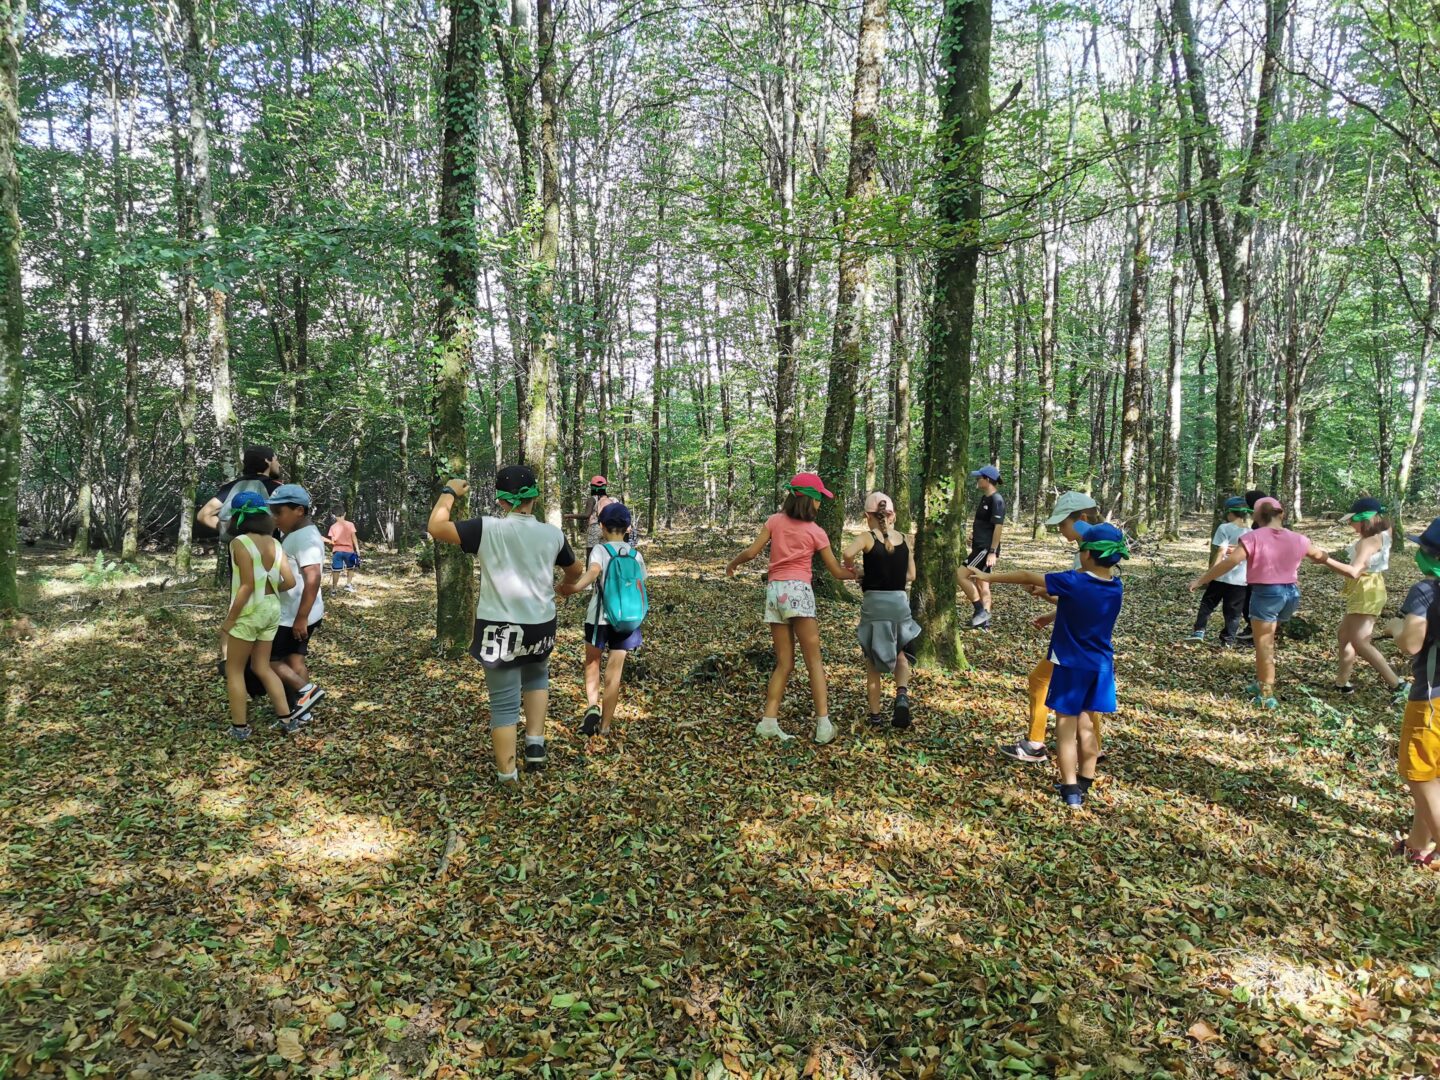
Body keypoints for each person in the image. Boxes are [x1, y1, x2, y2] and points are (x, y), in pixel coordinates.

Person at [427, 466, 583, 781]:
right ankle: (535, 744)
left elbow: (436, 527)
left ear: (500, 501)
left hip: (499, 630)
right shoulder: (552, 534)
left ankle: (508, 776)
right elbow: (576, 569)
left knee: (504, 701)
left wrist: (450, 492)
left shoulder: (486, 529)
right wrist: (565, 587)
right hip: (541, 624)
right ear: (534, 499)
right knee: (537, 675)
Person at [963, 523, 1128, 808]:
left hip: (1070, 666)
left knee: (1066, 730)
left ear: (1087, 553)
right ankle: (1086, 780)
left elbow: (1029, 575)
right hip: (1100, 667)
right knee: (1087, 726)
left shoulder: (1075, 582)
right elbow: (1078, 602)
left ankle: (1071, 789)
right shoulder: (1115, 586)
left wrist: (987, 575)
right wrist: (1043, 595)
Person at [726, 472, 858, 744]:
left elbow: (751, 552)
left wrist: (733, 564)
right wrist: (859, 574)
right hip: (799, 592)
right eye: (819, 498)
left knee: (784, 662)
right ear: (808, 501)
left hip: (775, 593)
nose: (821, 504)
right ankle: (823, 725)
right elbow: (835, 571)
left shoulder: (775, 521)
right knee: (814, 662)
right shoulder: (815, 532)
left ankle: (768, 722)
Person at [1188, 497, 1327, 710]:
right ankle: (1261, 682)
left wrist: (1201, 579)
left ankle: (1266, 694)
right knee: (1267, 640)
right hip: (1290, 595)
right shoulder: (1298, 538)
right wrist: (1349, 568)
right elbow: (1320, 556)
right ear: (1282, 514)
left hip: (1266, 595)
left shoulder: (1253, 537)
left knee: (1264, 646)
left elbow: (1231, 561)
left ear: (1257, 517)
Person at [997, 490, 1103, 764]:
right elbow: (1082, 600)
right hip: (1086, 638)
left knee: (1041, 680)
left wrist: (1045, 593)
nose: (1060, 530)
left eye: (1063, 524)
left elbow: (1080, 598)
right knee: (1085, 692)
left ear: (1081, 519)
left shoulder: (1089, 555)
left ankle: (1035, 744)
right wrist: (1049, 611)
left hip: (1073, 641)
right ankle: (1093, 748)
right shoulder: (1099, 549)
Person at [562, 501, 645, 739]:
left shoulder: (600, 550)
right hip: (628, 620)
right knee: (614, 672)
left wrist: (574, 587)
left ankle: (591, 707)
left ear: (602, 526)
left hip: (598, 617)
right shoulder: (636, 555)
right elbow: (640, 585)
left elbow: (594, 572)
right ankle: (606, 726)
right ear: (628, 527)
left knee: (592, 663)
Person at [219, 492, 297, 739]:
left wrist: (229, 621)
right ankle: (287, 719)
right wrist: (271, 586)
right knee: (263, 667)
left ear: (238, 517)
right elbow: (290, 581)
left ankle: (239, 727)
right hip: (272, 609)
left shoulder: (240, 543)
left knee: (234, 670)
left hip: (249, 611)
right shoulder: (275, 543)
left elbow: (247, 585)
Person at [843, 491, 919, 730]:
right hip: (899, 602)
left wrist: (854, 569)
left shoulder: (867, 537)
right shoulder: (905, 539)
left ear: (868, 516)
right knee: (900, 654)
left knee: (872, 662)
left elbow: (847, 553)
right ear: (892, 515)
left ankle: (875, 719)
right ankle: (902, 695)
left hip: (874, 603)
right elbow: (911, 576)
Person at [1389, 516, 1440, 867]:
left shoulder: (1426, 590)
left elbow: (1410, 643)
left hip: (1432, 698)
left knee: (1418, 771)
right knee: (1434, 773)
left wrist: (1395, 626)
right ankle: (1417, 844)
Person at [1317, 496, 1405, 697]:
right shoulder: (1384, 532)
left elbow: (1354, 571)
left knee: (1360, 641)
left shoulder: (1368, 542)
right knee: (1344, 635)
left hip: (1367, 589)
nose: (1350, 524)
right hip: (1370, 587)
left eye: (1353, 520)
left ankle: (1397, 684)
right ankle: (1342, 682)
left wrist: (1325, 559)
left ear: (1365, 519)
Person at [266, 484, 327, 721]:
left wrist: (301, 618)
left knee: (267, 661)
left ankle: (306, 692)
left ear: (299, 511)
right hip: (298, 611)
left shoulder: (305, 537)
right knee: (294, 659)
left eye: (279, 513)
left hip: (294, 614)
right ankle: (302, 710)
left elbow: (313, 577)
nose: (275, 518)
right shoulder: (296, 532)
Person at [196, 446, 282, 578]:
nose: (278, 464)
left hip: (238, 554)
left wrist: (230, 529)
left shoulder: (231, 487)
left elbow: (204, 515)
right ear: (268, 461)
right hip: (270, 554)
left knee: (241, 592)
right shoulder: (278, 489)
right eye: (276, 459)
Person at [1185, 496, 1251, 647]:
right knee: (1233, 612)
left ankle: (1199, 631)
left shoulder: (1224, 528)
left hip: (1220, 577)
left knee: (1207, 604)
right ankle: (1228, 641)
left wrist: (1209, 576)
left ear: (1230, 513)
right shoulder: (1251, 532)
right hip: (1241, 580)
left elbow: (1221, 552)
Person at [956, 464, 1005, 628]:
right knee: (982, 583)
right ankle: (984, 622)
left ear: (988, 479)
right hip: (979, 546)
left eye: (979, 478)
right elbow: (984, 523)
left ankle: (980, 611)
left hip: (984, 549)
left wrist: (992, 552)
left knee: (960, 574)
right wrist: (973, 535)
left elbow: (998, 527)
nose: (977, 480)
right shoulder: (985, 498)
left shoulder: (997, 500)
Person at [567, 475, 618, 555]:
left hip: (594, 529)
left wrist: (569, 516)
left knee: (592, 554)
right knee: (606, 554)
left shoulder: (592, 499)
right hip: (608, 529)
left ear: (592, 487)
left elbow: (586, 515)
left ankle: (590, 567)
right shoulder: (613, 500)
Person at [325, 508, 361, 592]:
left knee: (336, 570)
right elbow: (354, 537)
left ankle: (334, 589)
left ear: (334, 516)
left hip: (337, 551)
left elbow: (332, 541)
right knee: (351, 568)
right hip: (349, 551)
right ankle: (348, 585)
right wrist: (357, 549)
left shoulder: (333, 527)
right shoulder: (350, 524)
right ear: (344, 514)